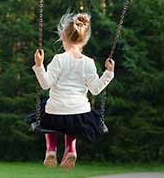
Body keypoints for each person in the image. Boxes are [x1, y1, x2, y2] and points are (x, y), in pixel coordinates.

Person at [32, 12, 115, 170]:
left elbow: (45, 84)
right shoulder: (89, 63)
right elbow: (96, 89)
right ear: (84, 40)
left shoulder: (59, 59)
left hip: (55, 114)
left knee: (47, 112)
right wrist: (108, 73)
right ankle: (71, 149)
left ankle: (51, 149)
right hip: (80, 115)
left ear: (63, 37)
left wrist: (39, 65)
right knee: (71, 121)